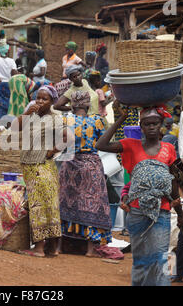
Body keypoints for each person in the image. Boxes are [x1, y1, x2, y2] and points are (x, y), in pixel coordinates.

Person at [95, 105, 183, 286]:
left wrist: (181, 215)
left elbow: (173, 182)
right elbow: (101, 145)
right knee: (141, 260)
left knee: (161, 257)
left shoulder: (169, 148)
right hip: (136, 211)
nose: (151, 127)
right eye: (147, 124)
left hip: (162, 210)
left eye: (155, 123)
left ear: (161, 124)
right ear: (141, 127)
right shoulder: (130, 145)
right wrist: (121, 119)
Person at [11, 85, 70, 257]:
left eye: (45, 99)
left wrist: (53, 151)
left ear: (52, 102)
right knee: (46, 206)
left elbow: (68, 137)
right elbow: (14, 128)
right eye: (38, 97)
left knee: (40, 206)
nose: (40, 101)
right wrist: (28, 112)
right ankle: (51, 248)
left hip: (41, 166)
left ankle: (39, 249)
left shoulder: (55, 117)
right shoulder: (31, 116)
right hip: (30, 165)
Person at [59, 90, 117, 258]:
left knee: (66, 203)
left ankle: (60, 246)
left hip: (70, 165)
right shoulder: (97, 121)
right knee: (91, 204)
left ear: (73, 104)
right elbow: (103, 142)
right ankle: (90, 249)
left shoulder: (65, 120)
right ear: (87, 103)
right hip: (91, 166)